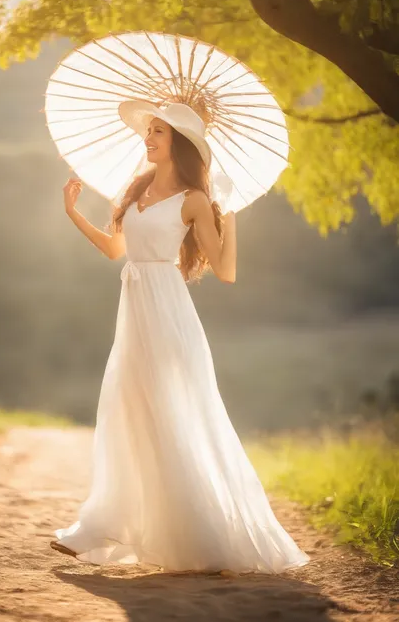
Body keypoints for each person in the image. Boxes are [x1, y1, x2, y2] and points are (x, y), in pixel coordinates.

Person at [50, 101, 310, 574]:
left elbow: (226, 271)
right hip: (134, 311)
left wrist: (228, 215)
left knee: (171, 415)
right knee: (123, 409)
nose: (147, 139)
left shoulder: (193, 200)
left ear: (180, 144)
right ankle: (99, 525)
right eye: (148, 131)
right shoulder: (136, 190)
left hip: (168, 314)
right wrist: (72, 212)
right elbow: (114, 249)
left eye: (158, 133)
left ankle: (197, 536)